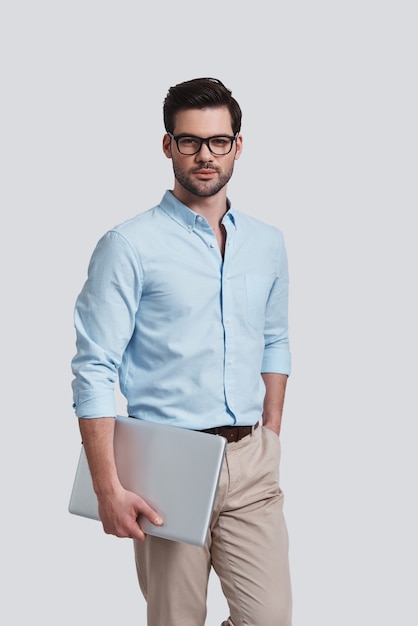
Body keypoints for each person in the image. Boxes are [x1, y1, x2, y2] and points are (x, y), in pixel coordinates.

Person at [71, 77, 292, 626]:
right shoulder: (128, 245)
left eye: (218, 141)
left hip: (251, 463)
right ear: (168, 145)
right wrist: (108, 487)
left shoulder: (267, 242)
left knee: (271, 617)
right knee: (176, 621)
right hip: (167, 463)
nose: (204, 155)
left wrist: (272, 425)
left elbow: (275, 336)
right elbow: (94, 367)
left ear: (238, 145)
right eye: (189, 141)